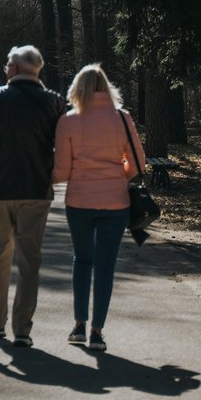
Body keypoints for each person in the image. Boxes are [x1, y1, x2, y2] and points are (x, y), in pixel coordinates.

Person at [0, 45, 65, 348]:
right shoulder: (54, 103)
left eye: (8, 65)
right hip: (37, 189)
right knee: (30, 259)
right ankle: (23, 329)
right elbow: (66, 142)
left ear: (17, 69)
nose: (5, 69)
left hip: (0, 188)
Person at [53, 64, 145, 352]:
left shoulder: (68, 121)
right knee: (105, 266)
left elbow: (61, 172)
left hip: (79, 201)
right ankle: (97, 332)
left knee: (82, 260)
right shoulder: (122, 118)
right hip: (115, 202)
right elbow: (139, 164)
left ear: (77, 88)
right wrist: (119, 174)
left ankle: (78, 325)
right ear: (106, 87)